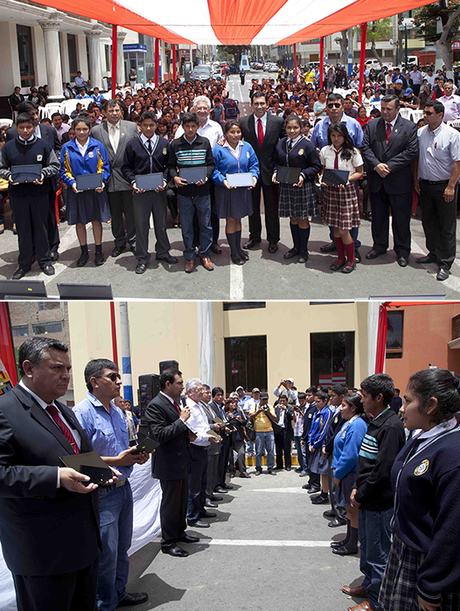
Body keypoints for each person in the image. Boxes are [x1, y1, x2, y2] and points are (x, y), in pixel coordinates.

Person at [0, 337, 102, 611]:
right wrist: (55, 478)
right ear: (29, 368)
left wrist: (102, 473)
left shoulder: (63, 410)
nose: (66, 376)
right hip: (42, 553)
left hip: (83, 544)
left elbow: (75, 457)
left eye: (68, 368)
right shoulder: (5, 411)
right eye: (57, 368)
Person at [379, 368, 460, 611]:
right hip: (405, 552)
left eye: (408, 400)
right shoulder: (420, 437)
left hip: (427, 563)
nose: (401, 408)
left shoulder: (452, 454)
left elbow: (452, 529)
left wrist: (431, 584)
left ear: (431, 405)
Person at [74, 359, 150, 610]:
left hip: (124, 488)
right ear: (94, 382)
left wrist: (135, 456)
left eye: (119, 376)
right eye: (113, 377)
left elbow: (122, 451)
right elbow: (77, 460)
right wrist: (115, 460)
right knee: (106, 555)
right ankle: (104, 603)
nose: (119, 382)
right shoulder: (81, 413)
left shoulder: (118, 412)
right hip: (102, 493)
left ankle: (118, 593)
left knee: (122, 548)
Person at [344, 373, 405, 611]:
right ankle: (368, 584)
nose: (361, 399)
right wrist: (358, 488)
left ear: (379, 397)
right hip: (367, 498)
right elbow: (367, 463)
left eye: (365, 395)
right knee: (367, 547)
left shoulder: (390, 426)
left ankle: (377, 601)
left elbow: (382, 471)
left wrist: (360, 494)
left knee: (379, 554)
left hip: (378, 502)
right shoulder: (375, 420)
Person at [146, 368, 200, 557]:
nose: (182, 387)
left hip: (182, 462)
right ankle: (168, 542)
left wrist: (188, 434)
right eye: (179, 383)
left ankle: (179, 532)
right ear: (167, 384)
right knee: (170, 504)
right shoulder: (156, 405)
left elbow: (177, 429)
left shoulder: (174, 403)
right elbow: (160, 434)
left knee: (181, 502)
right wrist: (181, 420)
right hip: (168, 465)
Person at [0, 112, 59, 279]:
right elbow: (1, 168)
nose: (25, 130)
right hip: (18, 195)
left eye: (28, 127)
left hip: (39, 193)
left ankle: (45, 261)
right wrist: (10, 176)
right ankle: (24, 263)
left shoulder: (43, 146)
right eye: (21, 127)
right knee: (23, 229)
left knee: (41, 227)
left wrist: (43, 174)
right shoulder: (8, 147)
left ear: (34, 127)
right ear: (16, 128)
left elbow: (54, 165)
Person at [361, 94, 419, 267]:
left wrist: (389, 166)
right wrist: (377, 165)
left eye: (389, 109)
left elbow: (411, 152)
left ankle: (402, 251)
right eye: (383, 109)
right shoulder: (372, 124)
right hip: (377, 180)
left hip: (399, 180)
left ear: (398, 109)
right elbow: (365, 147)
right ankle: (379, 246)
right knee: (378, 217)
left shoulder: (409, 127)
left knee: (401, 219)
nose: (385, 112)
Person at [122, 111, 178, 274]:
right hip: (140, 191)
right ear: (140, 125)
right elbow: (126, 167)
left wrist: (164, 181)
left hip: (158, 190)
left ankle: (162, 251)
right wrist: (133, 182)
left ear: (156, 126)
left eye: (151, 125)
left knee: (161, 224)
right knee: (141, 225)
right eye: (145, 125)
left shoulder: (164, 144)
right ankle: (142, 257)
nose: (148, 128)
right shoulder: (132, 144)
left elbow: (169, 166)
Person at [310, 93, 363, 261]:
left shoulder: (354, 124)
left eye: (337, 105)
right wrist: (320, 176)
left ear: (343, 106)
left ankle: (352, 248)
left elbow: (361, 149)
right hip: (329, 182)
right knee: (333, 217)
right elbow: (314, 150)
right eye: (330, 105)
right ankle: (335, 243)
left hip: (348, 182)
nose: (333, 108)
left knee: (347, 221)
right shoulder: (319, 126)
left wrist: (348, 178)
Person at [414, 100, 460, 281]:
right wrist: (416, 179)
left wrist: (451, 186)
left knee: (446, 226)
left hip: (444, 186)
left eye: (429, 113)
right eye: (424, 112)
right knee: (429, 222)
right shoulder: (420, 133)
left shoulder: (452, 135)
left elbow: (457, 163)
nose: (424, 116)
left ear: (440, 115)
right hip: (425, 184)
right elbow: (417, 158)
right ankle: (433, 252)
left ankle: (446, 262)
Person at [60, 114, 111, 267]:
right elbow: (64, 170)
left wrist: (101, 181)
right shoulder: (67, 148)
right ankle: (83, 252)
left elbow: (104, 166)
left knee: (96, 220)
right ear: (73, 130)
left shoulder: (98, 146)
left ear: (90, 129)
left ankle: (98, 251)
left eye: (85, 129)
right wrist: (72, 183)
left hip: (96, 190)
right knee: (80, 222)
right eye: (78, 129)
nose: (81, 132)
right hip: (77, 191)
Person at [168, 112, 215, 273]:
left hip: (203, 191)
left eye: (193, 126)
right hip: (184, 193)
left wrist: (206, 176)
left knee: (206, 225)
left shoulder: (204, 142)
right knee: (187, 227)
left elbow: (211, 164)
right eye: (187, 126)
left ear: (197, 126)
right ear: (182, 126)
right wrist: (174, 178)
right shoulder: (175, 144)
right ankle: (189, 256)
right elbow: (171, 166)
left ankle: (205, 254)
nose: (190, 129)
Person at [92, 99, 138, 259]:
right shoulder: (97, 131)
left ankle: (133, 241)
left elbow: (137, 151)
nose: (114, 113)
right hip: (109, 179)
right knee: (115, 214)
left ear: (121, 111)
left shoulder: (131, 127)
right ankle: (119, 242)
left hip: (128, 177)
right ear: (104, 113)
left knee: (131, 213)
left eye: (117, 110)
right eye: (111, 111)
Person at [239, 91, 285, 253]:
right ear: (251, 105)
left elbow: (287, 142)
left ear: (267, 104)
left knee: (272, 209)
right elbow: (235, 140)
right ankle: (254, 237)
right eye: (256, 103)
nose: (259, 106)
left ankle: (273, 239)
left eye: (262, 103)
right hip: (251, 173)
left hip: (271, 172)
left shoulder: (278, 121)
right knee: (252, 208)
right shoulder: (243, 122)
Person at [273, 115, 321, 263]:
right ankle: (295, 247)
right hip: (287, 184)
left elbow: (316, 166)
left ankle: (303, 250)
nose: (292, 130)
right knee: (293, 217)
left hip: (302, 185)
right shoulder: (281, 143)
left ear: (301, 128)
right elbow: (276, 161)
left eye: (295, 127)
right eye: (289, 127)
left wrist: (303, 174)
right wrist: (275, 172)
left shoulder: (308, 145)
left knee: (302, 218)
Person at [211, 119, 259, 265]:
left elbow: (254, 165)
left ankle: (238, 248)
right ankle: (234, 251)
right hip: (227, 190)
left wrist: (254, 178)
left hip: (242, 190)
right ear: (225, 134)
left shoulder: (247, 147)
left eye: (238, 132)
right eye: (232, 132)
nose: (235, 135)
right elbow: (213, 170)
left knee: (238, 219)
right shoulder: (218, 149)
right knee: (231, 220)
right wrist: (222, 180)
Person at [319, 121, 363, 273]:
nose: (336, 139)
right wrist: (321, 178)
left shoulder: (353, 152)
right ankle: (340, 258)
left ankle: (351, 260)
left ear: (345, 136)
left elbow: (359, 172)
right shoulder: (325, 150)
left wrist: (347, 179)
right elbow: (323, 170)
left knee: (344, 229)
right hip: (331, 191)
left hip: (346, 191)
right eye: (333, 135)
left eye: (339, 136)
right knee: (336, 230)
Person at [330, 393, 367, 556]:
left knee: (352, 511)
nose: (340, 408)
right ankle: (349, 539)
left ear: (353, 408)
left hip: (349, 473)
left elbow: (351, 455)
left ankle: (353, 543)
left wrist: (337, 475)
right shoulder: (349, 423)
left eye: (344, 405)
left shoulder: (357, 425)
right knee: (349, 510)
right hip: (343, 473)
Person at [184, 378, 220, 527]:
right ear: (190, 392)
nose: (202, 392)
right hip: (195, 449)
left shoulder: (199, 406)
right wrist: (207, 437)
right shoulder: (189, 407)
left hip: (204, 448)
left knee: (202, 482)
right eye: (199, 390)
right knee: (194, 485)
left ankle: (201, 509)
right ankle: (192, 516)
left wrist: (214, 435)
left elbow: (204, 427)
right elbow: (191, 433)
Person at [308, 390, 333, 505]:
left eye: (319, 401)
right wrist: (310, 442)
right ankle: (323, 492)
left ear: (325, 401)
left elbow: (324, 431)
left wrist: (316, 444)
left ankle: (325, 494)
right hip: (314, 445)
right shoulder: (317, 413)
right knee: (320, 470)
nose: (317, 404)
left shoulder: (327, 413)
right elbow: (312, 429)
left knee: (324, 471)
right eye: (316, 401)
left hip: (320, 445)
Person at [249, 391, 278, 475]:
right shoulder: (255, 407)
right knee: (258, 451)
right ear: (260, 399)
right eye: (263, 399)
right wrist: (259, 411)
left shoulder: (270, 407)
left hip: (269, 431)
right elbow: (251, 416)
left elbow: (274, 419)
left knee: (271, 450)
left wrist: (268, 412)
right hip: (258, 432)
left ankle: (270, 467)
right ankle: (258, 468)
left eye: (266, 399)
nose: (265, 401)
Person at [274, 395, 293, 470]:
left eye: (283, 401)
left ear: (286, 401)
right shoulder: (277, 408)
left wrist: (286, 411)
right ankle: (279, 465)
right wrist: (274, 409)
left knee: (287, 448)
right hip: (278, 430)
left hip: (286, 430)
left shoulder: (289, 408)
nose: (282, 403)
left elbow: (291, 417)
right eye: (280, 401)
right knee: (278, 448)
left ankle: (288, 465)